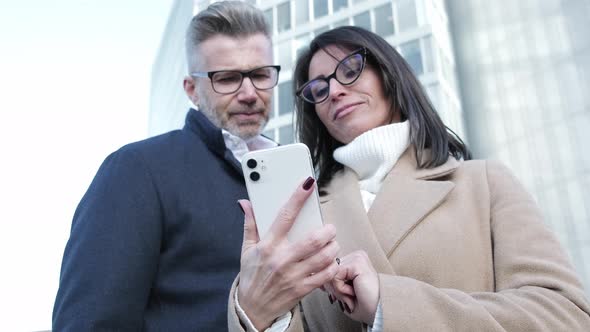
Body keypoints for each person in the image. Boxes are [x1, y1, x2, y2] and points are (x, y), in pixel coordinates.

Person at [228, 26, 590, 331]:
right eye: (318, 89)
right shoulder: (307, 216)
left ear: (389, 75)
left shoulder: (483, 182)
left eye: (350, 68)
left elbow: (566, 316)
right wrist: (255, 311)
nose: (334, 91)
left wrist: (389, 304)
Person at [52, 2, 337, 330]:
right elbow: (88, 323)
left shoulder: (293, 172)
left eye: (260, 75)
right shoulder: (136, 169)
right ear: (192, 90)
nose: (249, 93)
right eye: (227, 79)